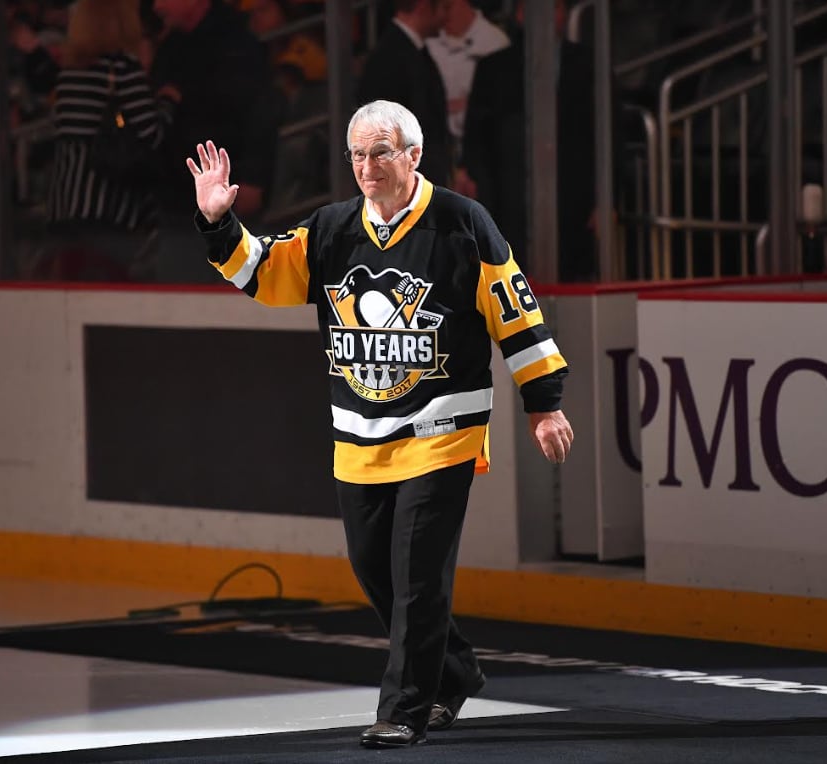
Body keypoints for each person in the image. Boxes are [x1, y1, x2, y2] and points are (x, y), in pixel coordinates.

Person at [186, 99, 574, 748]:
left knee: (417, 575)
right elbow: (263, 274)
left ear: (414, 156)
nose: (367, 168)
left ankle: (403, 710)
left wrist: (544, 402)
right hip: (358, 437)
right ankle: (454, 673)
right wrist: (216, 221)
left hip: (440, 431)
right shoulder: (331, 228)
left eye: (381, 153)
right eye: (357, 156)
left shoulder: (461, 223)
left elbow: (515, 312)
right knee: (378, 575)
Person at [463, 0, 612, 282]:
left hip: (575, 200)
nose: (552, 15)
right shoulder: (493, 68)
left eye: (557, 7)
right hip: (508, 201)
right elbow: (477, 139)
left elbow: (608, 133)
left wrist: (605, 199)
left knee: (573, 278)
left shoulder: (589, 64)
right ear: (520, 15)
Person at [40, 0, 173, 281]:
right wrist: (168, 103)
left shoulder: (68, 73)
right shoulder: (122, 68)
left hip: (65, 205)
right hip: (108, 209)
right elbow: (151, 133)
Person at [150, 0, 282, 283]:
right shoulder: (170, 46)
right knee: (176, 290)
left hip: (228, 191)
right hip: (177, 194)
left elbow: (260, 112)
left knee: (235, 286)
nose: (157, 5)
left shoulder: (237, 42)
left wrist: (252, 176)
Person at [356, 0, 454, 187]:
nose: (445, 17)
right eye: (444, 8)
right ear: (423, 6)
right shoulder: (389, 58)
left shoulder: (413, 52)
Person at [426, 0, 509, 197]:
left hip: (480, 150)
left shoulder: (495, 42)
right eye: (440, 8)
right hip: (441, 146)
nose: (444, 15)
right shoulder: (429, 43)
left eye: (449, 7)